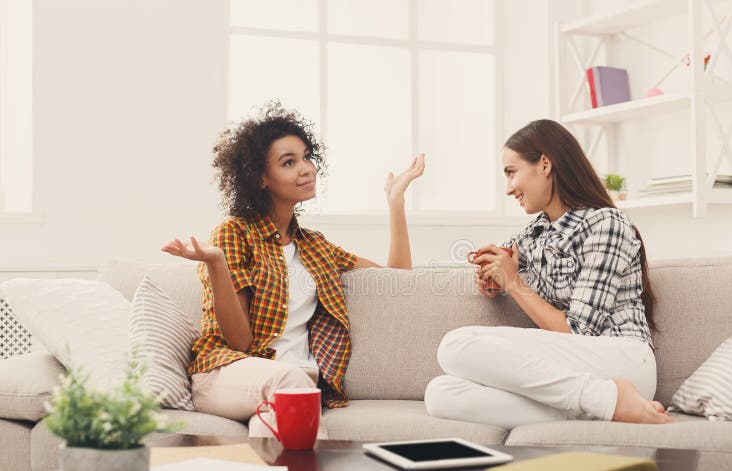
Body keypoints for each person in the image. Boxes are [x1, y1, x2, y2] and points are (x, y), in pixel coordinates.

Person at [162, 102, 424, 436]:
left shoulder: (316, 247)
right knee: (293, 391)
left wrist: (396, 203)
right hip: (227, 373)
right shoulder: (234, 233)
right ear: (260, 178)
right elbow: (240, 341)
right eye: (289, 163)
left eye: (305, 157)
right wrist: (216, 264)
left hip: (291, 383)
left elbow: (397, 280)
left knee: (273, 436)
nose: (306, 169)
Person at [424, 119, 672, 428]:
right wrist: (492, 276)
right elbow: (504, 259)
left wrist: (514, 282)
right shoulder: (536, 232)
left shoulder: (606, 224)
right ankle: (604, 404)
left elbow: (580, 332)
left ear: (544, 164)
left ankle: (610, 398)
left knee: (455, 344)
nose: (509, 188)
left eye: (511, 172)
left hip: (622, 359)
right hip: (577, 371)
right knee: (441, 395)